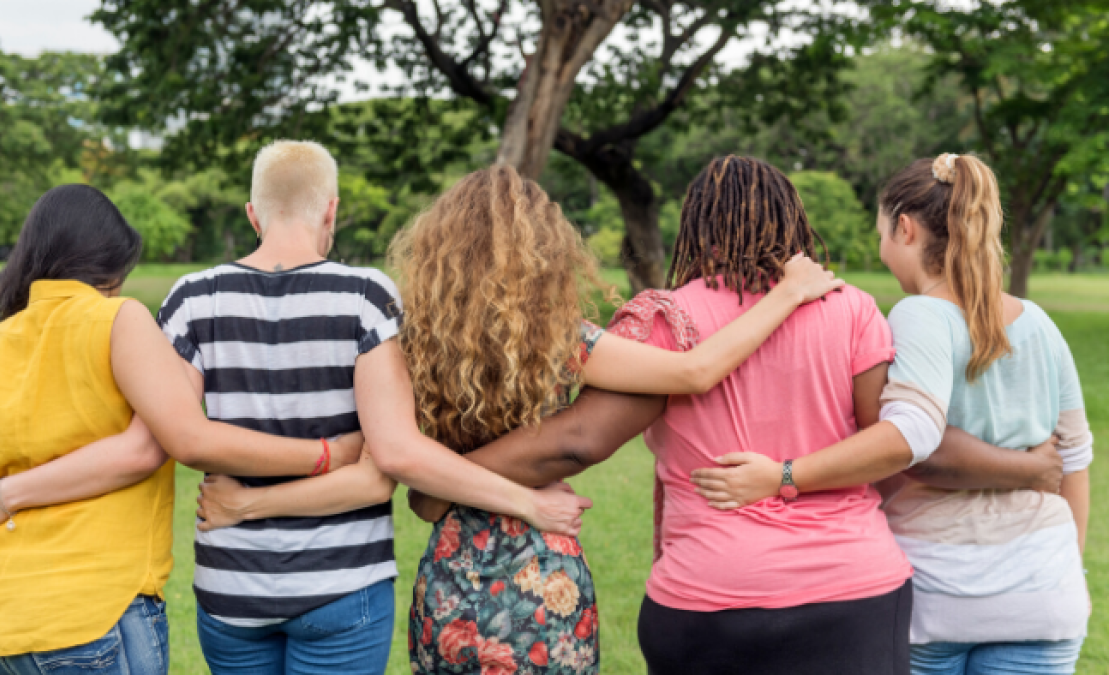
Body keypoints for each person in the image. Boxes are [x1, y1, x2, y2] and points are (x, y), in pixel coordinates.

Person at [408, 155, 1064, 675]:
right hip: (854, 592)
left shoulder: (664, 317)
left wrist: (443, 479)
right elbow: (885, 447)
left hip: (710, 594)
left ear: (697, 223)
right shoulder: (854, 308)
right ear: (793, 217)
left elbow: (577, 442)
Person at [196, 164, 842, 674]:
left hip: (449, 583)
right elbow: (694, 371)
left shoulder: (409, 342)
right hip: (544, 580)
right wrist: (786, 292)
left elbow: (396, 471)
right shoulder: (561, 340)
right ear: (543, 251)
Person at [152, 143, 594, 675]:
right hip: (342, 586)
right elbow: (388, 463)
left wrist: (245, 504)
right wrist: (528, 502)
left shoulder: (190, 300)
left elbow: (185, 435)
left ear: (253, 214)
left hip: (231, 584)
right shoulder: (364, 297)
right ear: (331, 210)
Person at [0, 184, 373, 675]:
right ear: (109, 267)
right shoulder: (119, 320)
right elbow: (184, 440)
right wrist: (327, 454)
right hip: (93, 615)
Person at [699, 153, 1093, 675]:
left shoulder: (919, 315)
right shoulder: (1040, 322)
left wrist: (783, 476)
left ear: (905, 230)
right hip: (1046, 593)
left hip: (942, 595)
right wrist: (1066, 569)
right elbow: (1075, 462)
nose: (882, 250)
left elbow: (910, 443)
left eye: (882, 233)